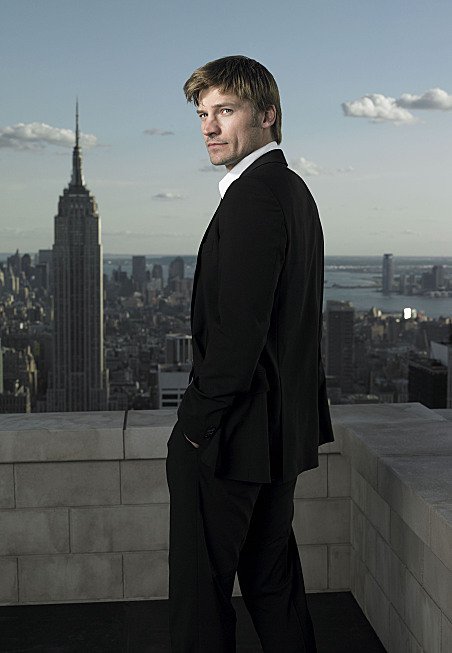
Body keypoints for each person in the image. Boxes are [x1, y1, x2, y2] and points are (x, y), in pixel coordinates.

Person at [165, 55, 334, 652]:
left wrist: (193, 427)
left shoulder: (253, 198)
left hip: (232, 438)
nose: (209, 127)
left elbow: (237, 336)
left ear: (267, 115)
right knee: (272, 581)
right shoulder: (293, 191)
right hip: (277, 435)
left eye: (225, 111)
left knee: (200, 597)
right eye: (202, 114)